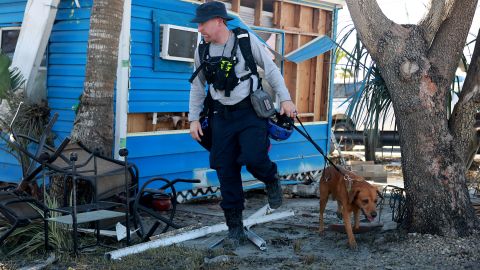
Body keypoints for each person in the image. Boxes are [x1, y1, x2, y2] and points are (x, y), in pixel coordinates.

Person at [188, 1, 297, 249]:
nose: (199, 29)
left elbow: (270, 70)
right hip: (220, 117)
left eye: (202, 24)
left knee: (254, 157)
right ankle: (234, 229)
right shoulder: (202, 51)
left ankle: (271, 179)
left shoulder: (245, 41)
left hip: (249, 112)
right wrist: (194, 118)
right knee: (225, 171)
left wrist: (286, 99)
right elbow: (197, 86)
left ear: (218, 21)